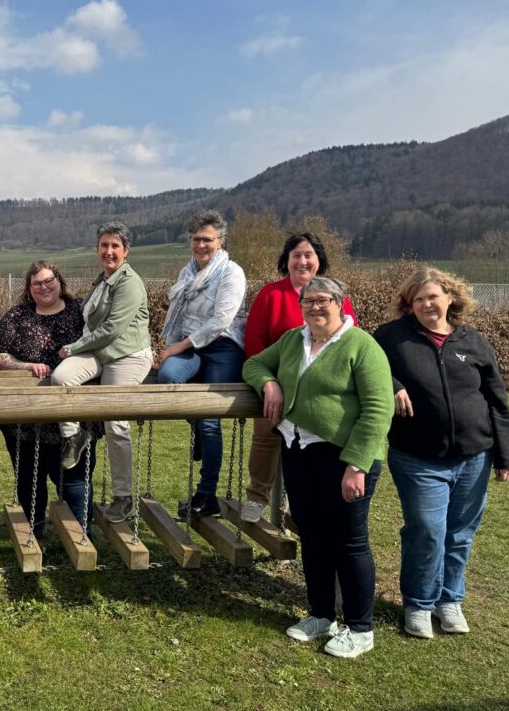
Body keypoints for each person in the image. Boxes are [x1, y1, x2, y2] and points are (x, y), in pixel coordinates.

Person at [242, 276, 391, 659]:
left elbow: (378, 409)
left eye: (323, 300)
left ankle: (360, 627)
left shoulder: (361, 345)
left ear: (340, 303)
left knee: (349, 541)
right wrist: (270, 383)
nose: (315, 307)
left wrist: (357, 465)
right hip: (298, 451)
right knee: (313, 535)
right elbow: (254, 364)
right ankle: (321, 615)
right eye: (308, 301)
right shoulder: (293, 340)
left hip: (344, 457)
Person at [374, 268, 509, 639]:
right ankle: (419, 604)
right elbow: (365, 366)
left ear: (450, 298)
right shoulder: (391, 337)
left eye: (433, 296)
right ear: (409, 305)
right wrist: (392, 384)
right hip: (417, 457)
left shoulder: (474, 341)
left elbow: (497, 401)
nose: (426, 304)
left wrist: (505, 455)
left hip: (474, 457)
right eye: (418, 299)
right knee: (426, 531)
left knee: (460, 533)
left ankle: (449, 600)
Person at [239, 232, 357, 524]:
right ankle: (257, 495)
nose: (302, 261)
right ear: (287, 260)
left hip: (320, 388)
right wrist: (269, 382)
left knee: (312, 443)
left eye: (308, 255)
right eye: (296, 255)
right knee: (266, 437)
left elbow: (351, 340)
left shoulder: (336, 296)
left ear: (319, 260)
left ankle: (296, 498)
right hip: (277, 385)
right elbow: (255, 341)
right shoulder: (271, 294)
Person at [51, 222, 151, 524]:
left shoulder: (129, 283)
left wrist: (74, 347)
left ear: (126, 251)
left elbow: (112, 329)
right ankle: (74, 435)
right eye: (104, 245)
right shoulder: (102, 281)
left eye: (115, 246)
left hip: (127, 354)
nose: (109, 251)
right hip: (100, 352)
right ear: (97, 249)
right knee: (61, 378)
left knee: (115, 421)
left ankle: (123, 497)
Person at [0, 261, 96, 534]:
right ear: (29, 288)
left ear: (59, 281)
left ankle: (80, 533)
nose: (44, 287)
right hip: (26, 421)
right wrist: (26, 366)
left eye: (49, 280)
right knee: (29, 480)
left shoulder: (80, 311)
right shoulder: (17, 316)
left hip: (73, 416)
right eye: (37, 283)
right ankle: (33, 531)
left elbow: (103, 340)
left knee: (75, 479)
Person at [154, 211, 246, 519]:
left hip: (222, 347)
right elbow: (178, 315)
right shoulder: (188, 271)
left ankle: (207, 495)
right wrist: (168, 349)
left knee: (209, 419)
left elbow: (220, 321)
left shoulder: (231, 272)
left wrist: (178, 347)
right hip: (190, 345)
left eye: (207, 239)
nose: (201, 245)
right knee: (168, 377)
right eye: (196, 239)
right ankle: (198, 430)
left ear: (221, 241)